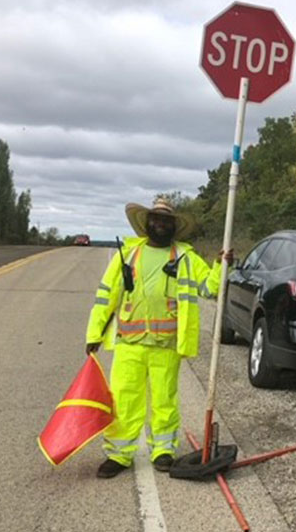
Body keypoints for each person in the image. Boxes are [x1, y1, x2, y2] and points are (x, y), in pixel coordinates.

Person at [85, 198, 232, 478]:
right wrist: (94, 333)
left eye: (165, 221)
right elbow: (106, 296)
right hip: (130, 345)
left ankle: (162, 451)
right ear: (147, 223)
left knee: (165, 400)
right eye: (155, 219)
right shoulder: (127, 254)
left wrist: (220, 265)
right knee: (124, 401)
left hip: (166, 346)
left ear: (173, 226)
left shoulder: (186, 257)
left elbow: (209, 288)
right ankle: (118, 455)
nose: (160, 224)